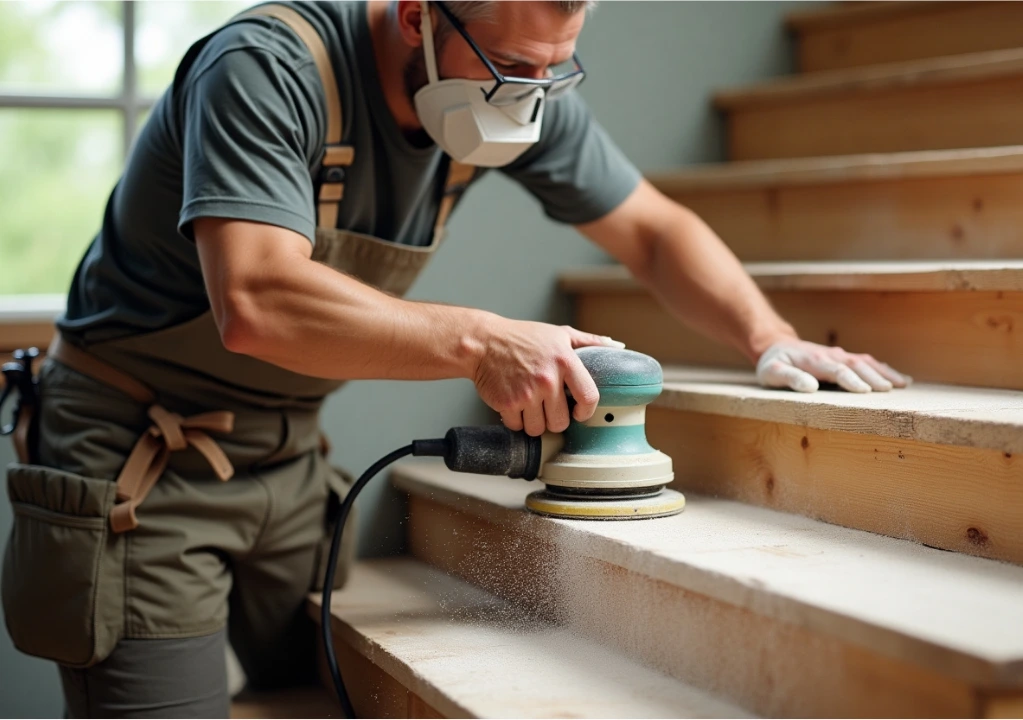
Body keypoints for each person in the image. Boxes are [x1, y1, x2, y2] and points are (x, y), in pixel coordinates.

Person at [2, 1, 910, 716]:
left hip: (285, 455)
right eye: (514, 67)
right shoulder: (267, 69)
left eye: (556, 67)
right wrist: (480, 342)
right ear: (416, 18)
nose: (534, 94)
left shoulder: (515, 88)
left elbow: (653, 231)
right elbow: (256, 299)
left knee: (322, 690)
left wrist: (768, 336)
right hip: (142, 459)